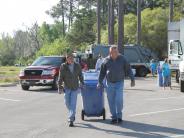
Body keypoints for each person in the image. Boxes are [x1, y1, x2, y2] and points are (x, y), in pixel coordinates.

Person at [97, 45, 135, 124]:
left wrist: (132, 79)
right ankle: (114, 117)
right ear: (110, 52)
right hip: (109, 83)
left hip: (119, 83)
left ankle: (119, 116)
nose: (115, 53)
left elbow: (128, 69)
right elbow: (102, 73)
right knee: (111, 101)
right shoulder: (106, 60)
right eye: (113, 52)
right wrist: (99, 82)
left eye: (116, 52)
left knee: (119, 100)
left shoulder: (122, 59)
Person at [58, 53, 84, 127]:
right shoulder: (63, 66)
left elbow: (80, 75)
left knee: (73, 103)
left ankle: (71, 119)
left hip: (75, 87)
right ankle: (72, 113)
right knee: (66, 102)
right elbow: (60, 77)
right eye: (69, 58)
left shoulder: (77, 65)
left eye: (72, 58)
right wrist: (59, 87)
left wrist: (82, 82)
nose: (71, 59)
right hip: (67, 87)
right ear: (67, 59)